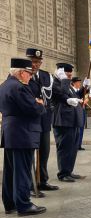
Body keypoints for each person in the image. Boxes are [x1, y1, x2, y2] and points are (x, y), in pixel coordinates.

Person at [0, 58, 46, 216]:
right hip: (23, 133)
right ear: (21, 72)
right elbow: (34, 109)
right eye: (28, 72)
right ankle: (24, 204)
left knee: (10, 170)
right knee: (22, 171)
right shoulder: (19, 87)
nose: (30, 76)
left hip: (10, 133)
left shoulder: (5, 85)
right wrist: (39, 104)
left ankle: (10, 203)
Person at [27, 48, 59, 195]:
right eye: (33, 61)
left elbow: (55, 94)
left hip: (44, 120)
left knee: (44, 151)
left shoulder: (46, 76)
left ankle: (43, 181)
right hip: (29, 122)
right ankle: (31, 184)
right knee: (30, 155)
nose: (36, 65)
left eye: (38, 62)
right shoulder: (22, 74)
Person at [51, 63, 85, 182]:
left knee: (72, 148)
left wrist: (85, 88)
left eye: (71, 74)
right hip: (62, 121)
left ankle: (69, 171)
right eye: (67, 74)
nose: (70, 76)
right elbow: (63, 94)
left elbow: (74, 95)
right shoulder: (55, 83)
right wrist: (64, 79)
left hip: (72, 121)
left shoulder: (67, 83)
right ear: (59, 73)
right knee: (64, 148)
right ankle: (63, 173)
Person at [70, 77, 88, 151]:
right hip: (75, 111)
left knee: (81, 127)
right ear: (73, 83)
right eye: (78, 82)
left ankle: (79, 144)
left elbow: (86, 97)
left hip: (82, 109)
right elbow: (77, 96)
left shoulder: (81, 91)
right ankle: (74, 144)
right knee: (76, 128)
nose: (79, 83)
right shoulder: (71, 91)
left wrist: (86, 100)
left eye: (80, 82)